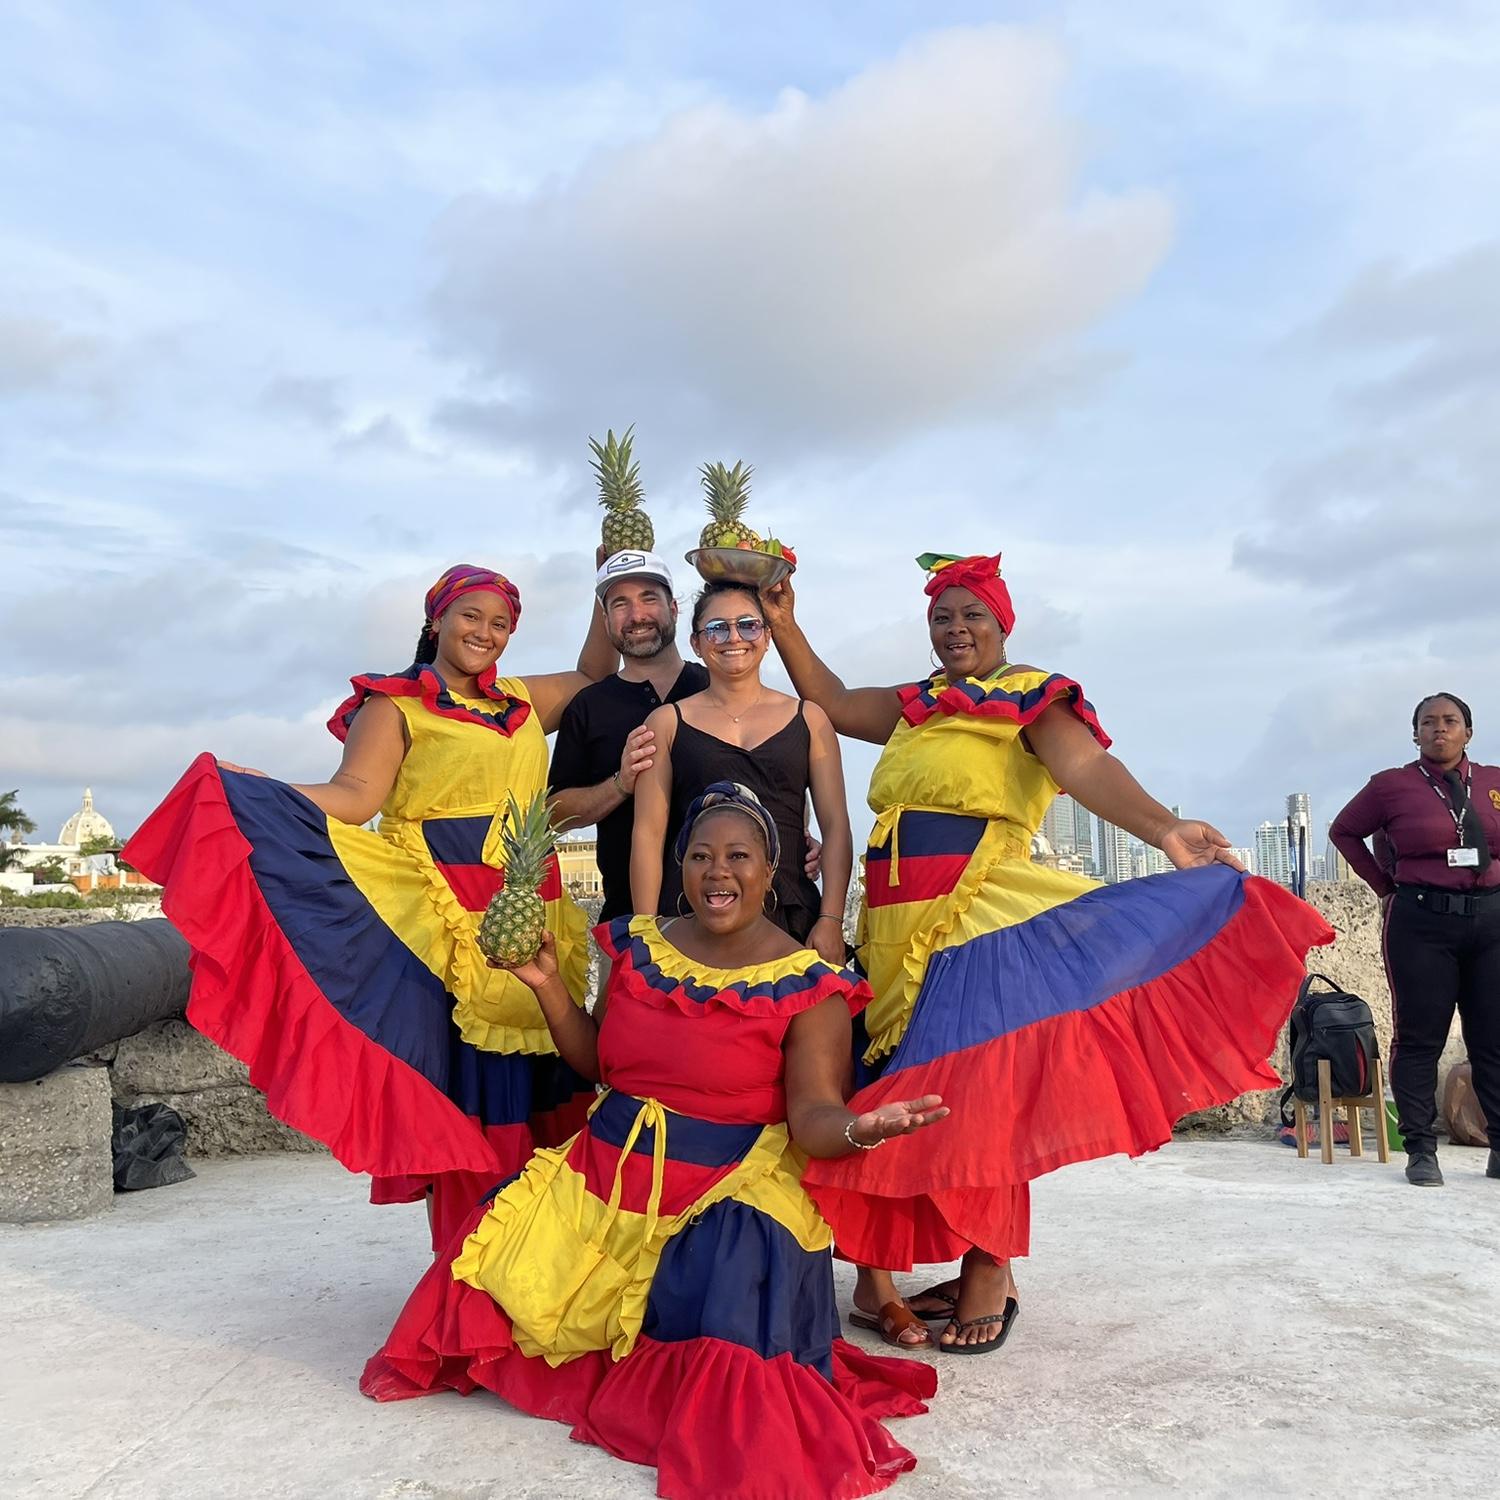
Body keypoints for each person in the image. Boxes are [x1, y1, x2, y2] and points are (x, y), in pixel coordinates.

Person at [762, 552, 1333, 1353]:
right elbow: (824, 699)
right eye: (942, 618)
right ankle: (938, 1262)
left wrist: (1165, 830)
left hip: (978, 915)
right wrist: (782, 618)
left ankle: (990, 1264)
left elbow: (1088, 767)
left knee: (986, 1089)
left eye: (972, 616)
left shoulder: (1028, 698)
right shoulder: (920, 707)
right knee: (913, 1095)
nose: (956, 629)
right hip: (896, 927)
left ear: (1003, 624)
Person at [360, 783, 945, 1499]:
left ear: (773, 870)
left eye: (738, 856)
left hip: (729, 1181)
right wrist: (546, 985)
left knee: (734, 1285)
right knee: (494, 1275)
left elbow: (813, 1118)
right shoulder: (640, 948)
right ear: (680, 866)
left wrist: (859, 1130)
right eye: (700, 855)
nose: (717, 872)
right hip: (607, 1169)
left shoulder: (809, 985)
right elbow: (601, 1063)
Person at [122, 563, 617, 1250]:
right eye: (470, 616)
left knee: (544, 1079)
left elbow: (595, 673)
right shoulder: (396, 706)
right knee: (479, 1088)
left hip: (529, 901)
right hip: (445, 912)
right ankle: (472, 1271)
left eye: (500, 623)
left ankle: (545, 1266)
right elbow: (356, 795)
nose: (485, 632)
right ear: (435, 618)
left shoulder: (522, 700)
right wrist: (267, 792)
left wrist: (607, 572)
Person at [630, 579, 852, 964]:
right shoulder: (666, 723)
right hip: (693, 913)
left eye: (748, 624)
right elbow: (649, 833)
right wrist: (647, 929)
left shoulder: (810, 719)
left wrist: (830, 920)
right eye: (717, 628)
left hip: (789, 911)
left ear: (766, 637)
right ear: (697, 643)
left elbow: (835, 827)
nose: (734, 637)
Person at [1328, 692, 1500, 1187]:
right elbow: (1345, 832)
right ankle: (1421, 1149)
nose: (1439, 729)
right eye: (1429, 723)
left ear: (1469, 731)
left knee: (1492, 1038)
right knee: (1419, 1038)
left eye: (1450, 721)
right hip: (1422, 922)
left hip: (1490, 923)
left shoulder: (1491, 783)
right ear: (1416, 734)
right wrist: (1385, 885)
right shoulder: (1391, 786)